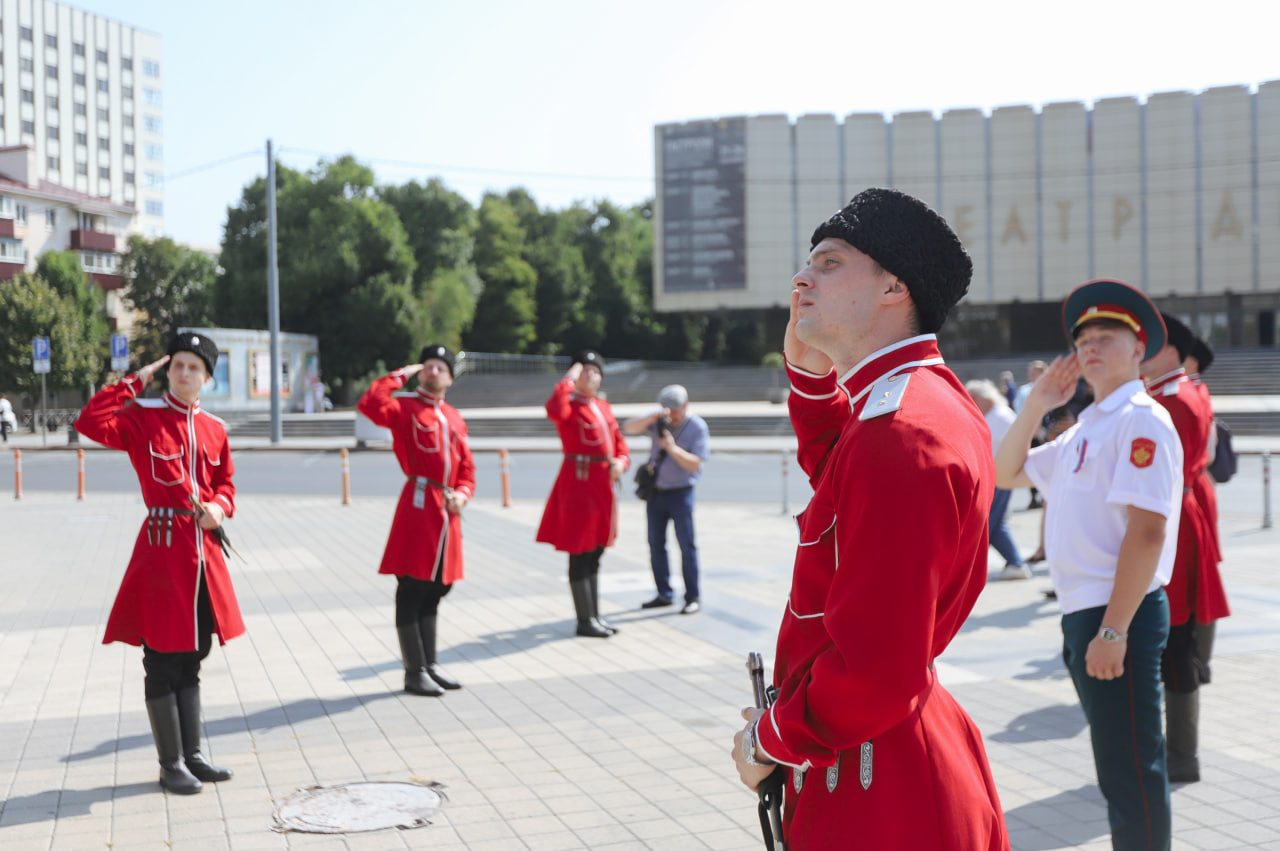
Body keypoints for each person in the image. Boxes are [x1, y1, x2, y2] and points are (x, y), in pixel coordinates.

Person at [731, 188, 1008, 849]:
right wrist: (810, 380)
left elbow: (876, 671)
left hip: (874, 781)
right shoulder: (911, 404)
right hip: (880, 757)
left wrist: (767, 739)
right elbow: (847, 482)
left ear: (892, 286)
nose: (802, 277)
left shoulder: (901, 428)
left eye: (828, 262)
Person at [996, 279, 1181, 850]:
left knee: (1131, 773)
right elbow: (1007, 471)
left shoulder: (1140, 420)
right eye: (1082, 340)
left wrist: (1112, 629)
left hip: (1116, 612)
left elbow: (1148, 534)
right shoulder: (1087, 426)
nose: (1091, 346)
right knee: (1118, 767)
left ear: (1138, 349)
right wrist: (1034, 404)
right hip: (1088, 613)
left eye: (1107, 336)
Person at [74, 332, 242, 795]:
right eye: (178, 365)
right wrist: (136, 379)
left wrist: (220, 509)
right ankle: (170, 764)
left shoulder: (215, 428)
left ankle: (192, 755)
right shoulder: (142, 418)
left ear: (207, 377)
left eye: (194, 367)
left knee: (193, 657)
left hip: (203, 558)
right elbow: (89, 421)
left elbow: (225, 483)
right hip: (163, 552)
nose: (185, 373)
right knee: (163, 659)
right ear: (168, 370)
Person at [357, 345, 475, 697]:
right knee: (412, 587)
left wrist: (464, 493)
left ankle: (430, 665)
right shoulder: (404, 407)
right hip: (419, 505)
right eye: (428, 366)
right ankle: (414, 671)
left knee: (437, 588)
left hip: (447, 510)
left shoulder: (453, 417)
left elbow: (467, 467)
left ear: (450, 378)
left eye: (441, 367)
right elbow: (370, 404)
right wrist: (399, 374)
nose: (433, 372)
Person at [1141, 314, 1228, 784]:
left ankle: (1181, 752)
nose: (1141, 355)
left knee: (1174, 642)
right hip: (1184, 514)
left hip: (1173, 519)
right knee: (1178, 637)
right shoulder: (1177, 392)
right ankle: (1180, 749)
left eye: (1150, 346)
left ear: (1172, 351)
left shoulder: (1169, 401)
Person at [536, 350, 629, 638]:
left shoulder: (603, 406)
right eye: (585, 371)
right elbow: (554, 409)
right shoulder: (568, 405)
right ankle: (584, 619)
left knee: (597, 550)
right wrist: (569, 378)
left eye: (595, 371)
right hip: (579, 483)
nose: (591, 375)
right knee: (581, 550)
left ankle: (594, 615)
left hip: (603, 485)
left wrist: (621, 462)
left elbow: (620, 444)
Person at [622, 384, 710, 614]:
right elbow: (628, 428)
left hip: (682, 493)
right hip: (657, 493)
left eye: (676, 410)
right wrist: (651, 417)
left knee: (687, 546)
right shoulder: (658, 421)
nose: (671, 415)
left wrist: (672, 449)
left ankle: (692, 596)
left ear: (686, 406)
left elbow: (695, 463)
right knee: (655, 544)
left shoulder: (697, 427)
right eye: (667, 409)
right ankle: (664, 593)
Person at [965, 379, 1030, 580]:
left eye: (974, 398)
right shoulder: (995, 415)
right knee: (994, 524)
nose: (971, 402)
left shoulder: (1000, 416)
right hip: (994, 476)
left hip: (998, 477)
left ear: (985, 398)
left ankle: (1015, 563)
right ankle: (1015, 563)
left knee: (988, 525)